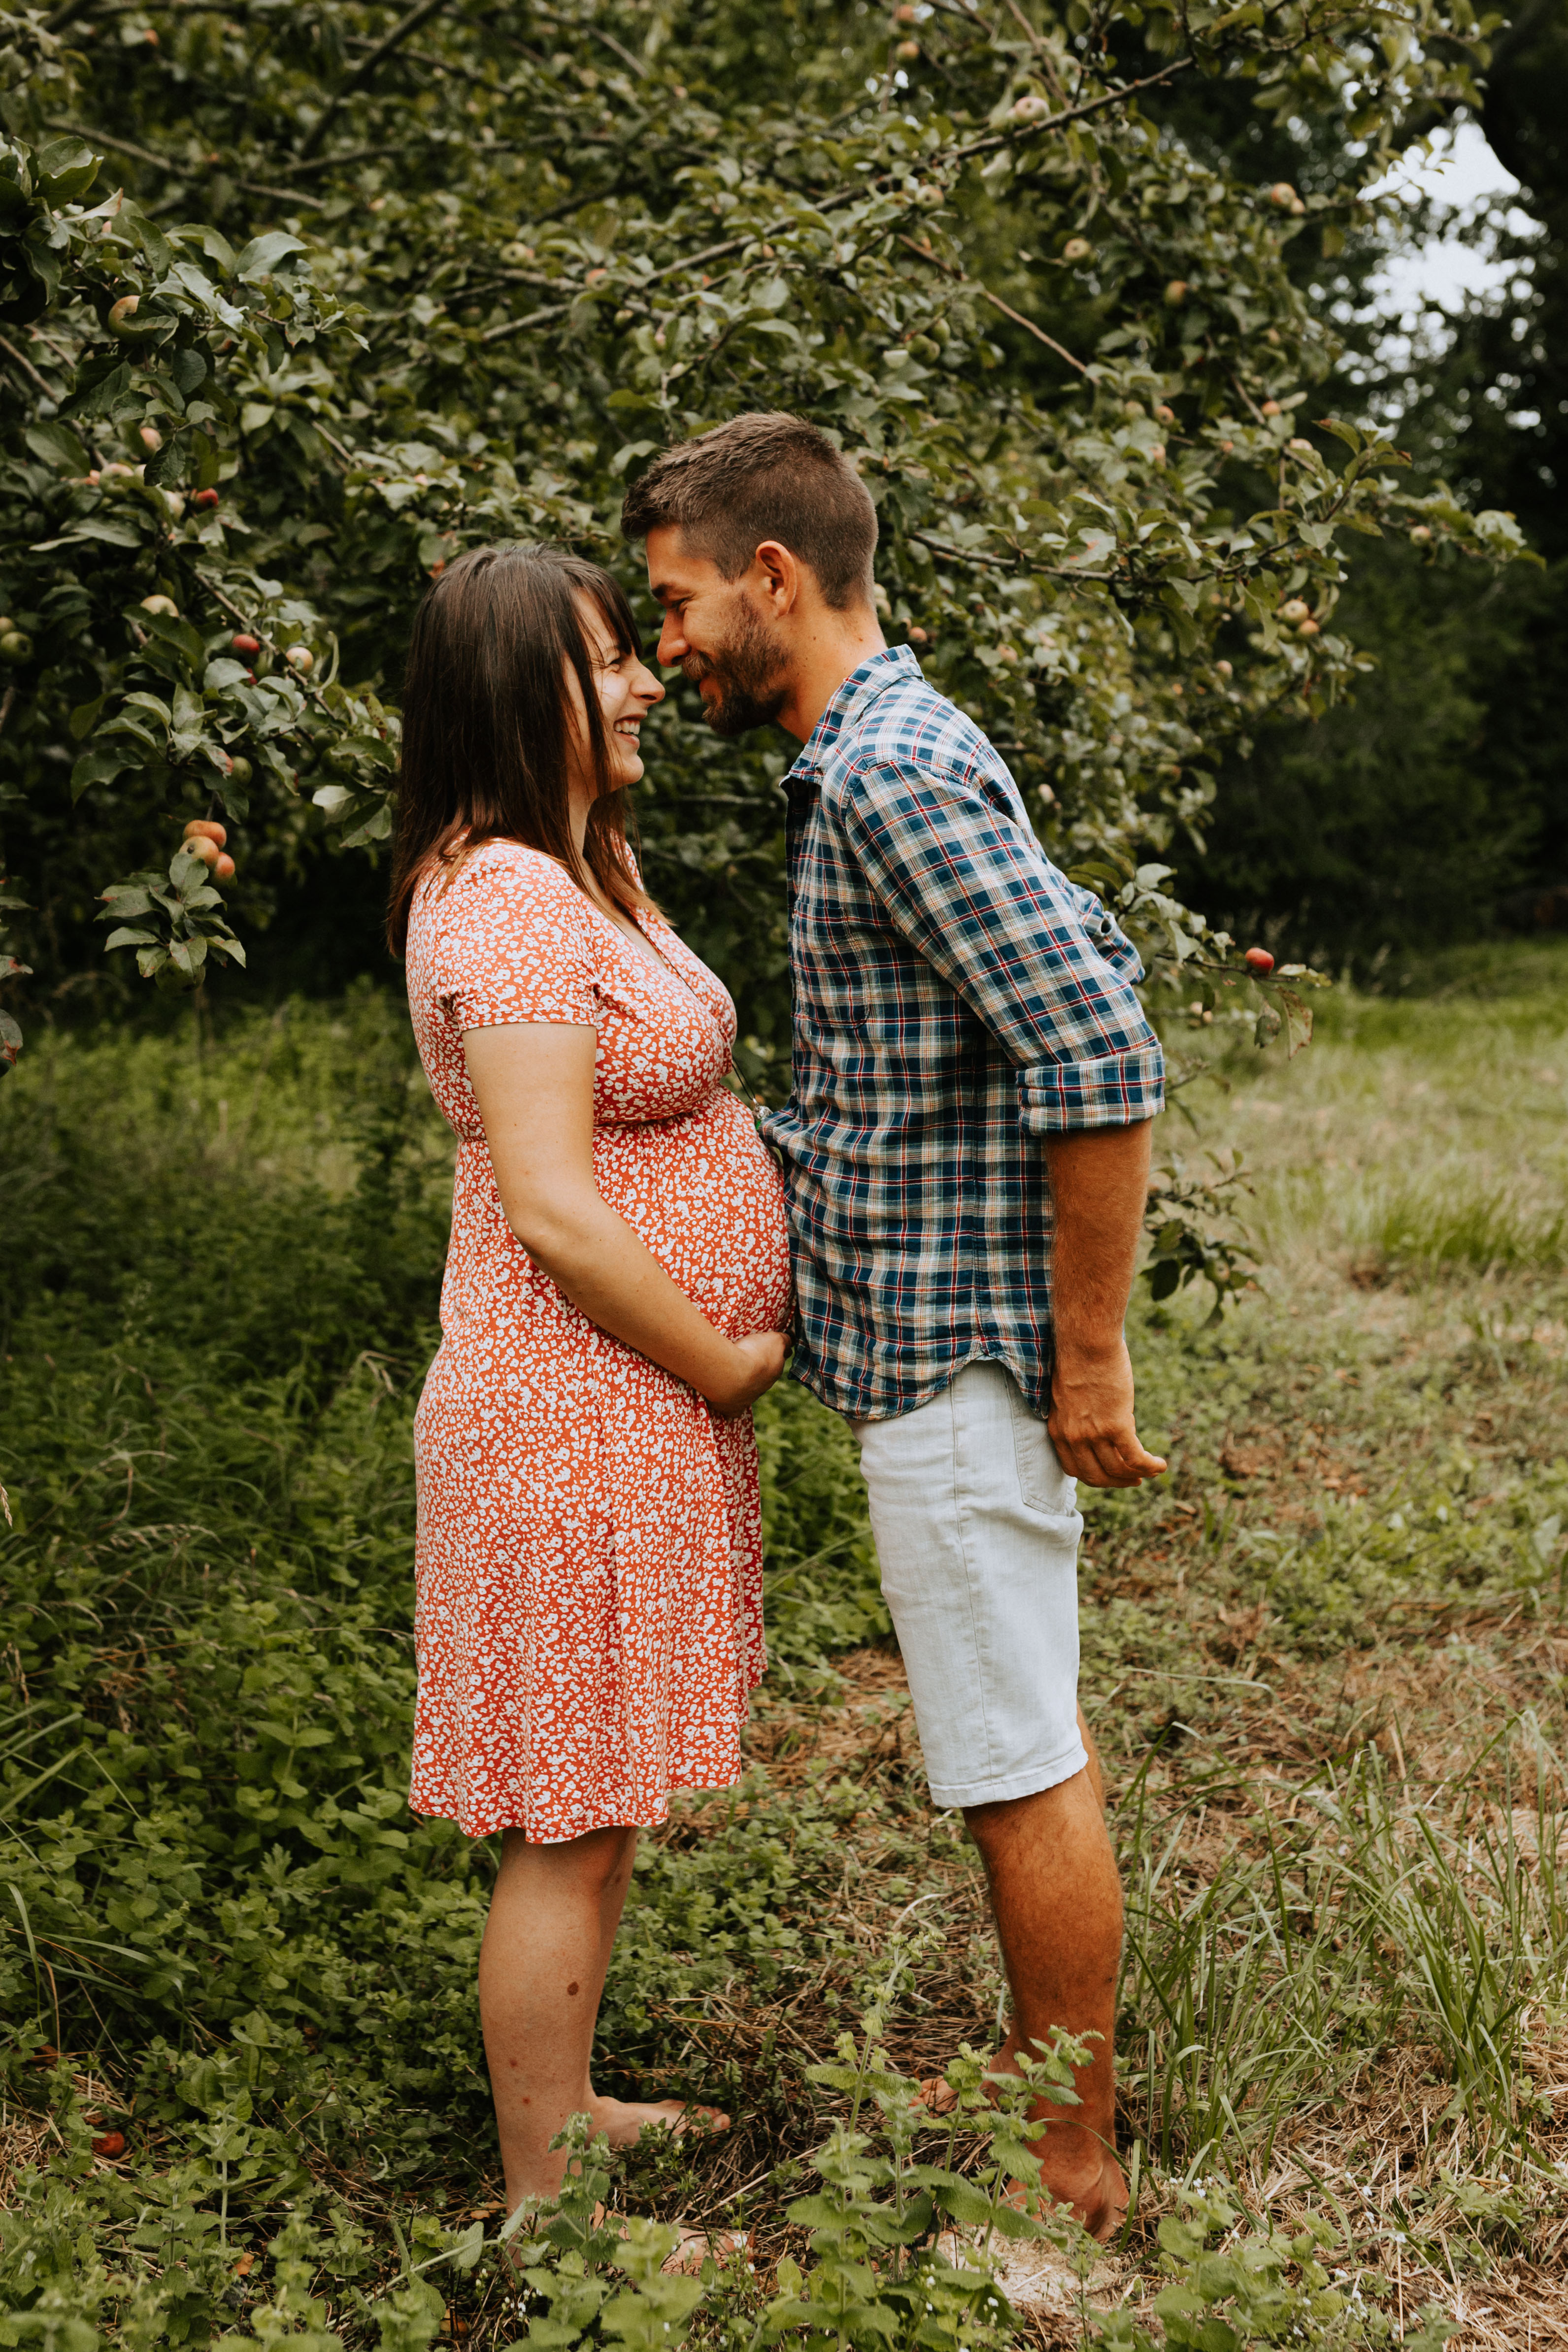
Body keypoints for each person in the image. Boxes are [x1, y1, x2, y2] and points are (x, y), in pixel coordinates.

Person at [622, 414, 1168, 2242]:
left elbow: (1097, 1052)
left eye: (679, 601)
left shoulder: (889, 778)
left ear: (773, 577)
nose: (666, 642)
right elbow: (902, 1089)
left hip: (968, 1368)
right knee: (1002, 1745)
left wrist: (1088, 1362)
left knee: (1014, 1762)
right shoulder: (875, 752)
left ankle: (1072, 2157)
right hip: (929, 1349)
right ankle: (1044, 2073)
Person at [387, 543, 792, 2217]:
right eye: (607, 662)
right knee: (566, 1810)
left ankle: (574, 2106)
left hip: (608, 1412)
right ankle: (540, 2198)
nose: (642, 685)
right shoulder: (508, 901)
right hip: (568, 1408)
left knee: (597, 1793)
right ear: (515, 690)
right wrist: (725, 1357)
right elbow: (552, 1206)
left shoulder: (578, 869)